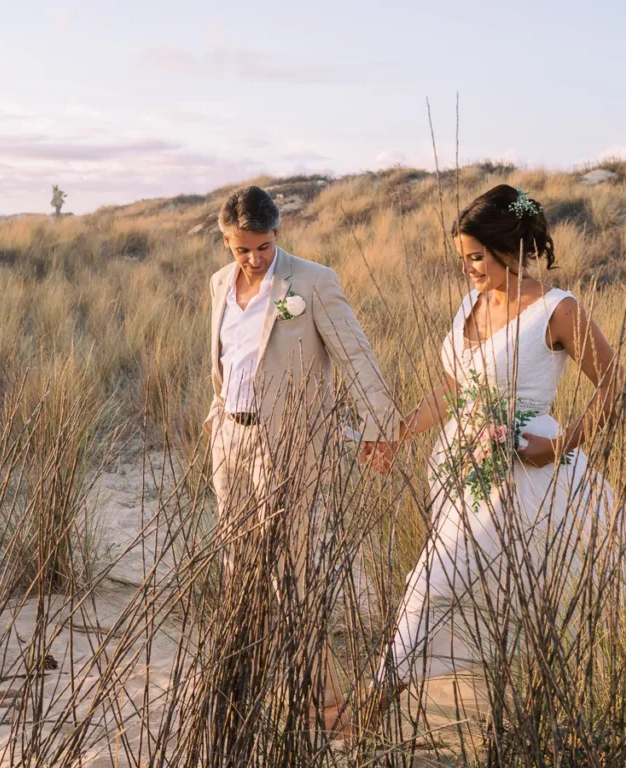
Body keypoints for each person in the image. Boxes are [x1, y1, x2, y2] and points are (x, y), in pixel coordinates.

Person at [368, 184, 626, 731]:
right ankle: (522, 699)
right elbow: (452, 388)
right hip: (462, 469)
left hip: (526, 471)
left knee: (437, 578)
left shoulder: (557, 310)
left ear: (511, 247)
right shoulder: (472, 303)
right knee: (496, 585)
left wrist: (560, 446)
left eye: (477, 257)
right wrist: (399, 434)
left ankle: (371, 702)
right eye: (463, 259)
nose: (470, 269)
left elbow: (615, 386)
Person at [204, 185, 400, 733]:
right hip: (231, 443)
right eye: (241, 248)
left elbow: (355, 354)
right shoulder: (219, 283)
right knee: (237, 568)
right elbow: (227, 361)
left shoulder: (312, 281)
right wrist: (218, 424)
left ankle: (320, 699)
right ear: (226, 242)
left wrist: (381, 426)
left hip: (289, 444)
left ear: (277, 233)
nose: (253, 259)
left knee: (291, 575)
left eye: (262, 247)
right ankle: (249, 684)